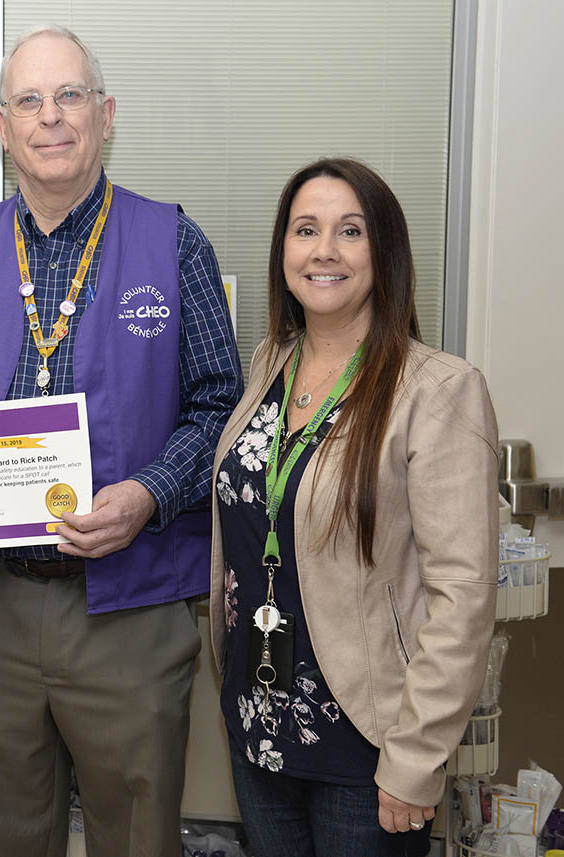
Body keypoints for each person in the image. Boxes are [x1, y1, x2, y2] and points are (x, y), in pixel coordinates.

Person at [0, 24, 242, 857]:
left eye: (70, 96)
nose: (51, 118)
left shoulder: (174, 243)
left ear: (105, 113)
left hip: (128, 605)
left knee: (137, 835)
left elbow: (221, 408)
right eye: (29, 101)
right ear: (2, 124)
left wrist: (149, 495)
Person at [208, 158, 498, 856]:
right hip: (257, 722)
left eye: (350, 231)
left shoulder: (437, 389)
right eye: (306, 230)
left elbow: (462, 595)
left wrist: (417, 755)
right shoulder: (267, 364)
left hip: (367, 746)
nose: (324, 251)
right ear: (284, 252)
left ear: (385, 252)